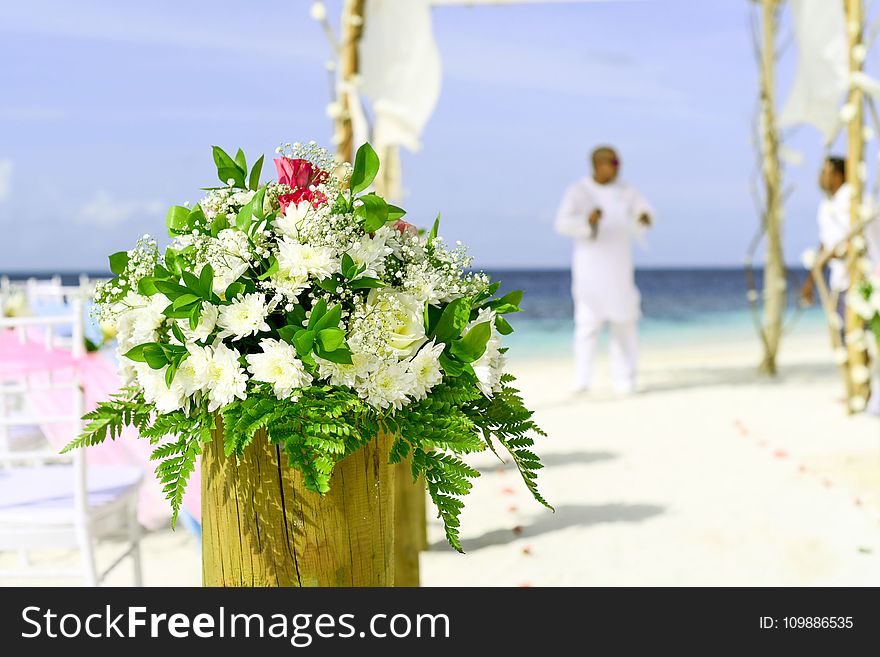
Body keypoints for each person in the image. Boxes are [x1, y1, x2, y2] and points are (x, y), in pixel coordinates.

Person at [554, 146, 653, 394]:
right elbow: (562, 223)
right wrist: (587, 221)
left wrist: (644, 218)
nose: (617, 168)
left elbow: (643, 210)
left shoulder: (626, 190)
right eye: (613, 163)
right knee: (587, 323)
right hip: (589, 267)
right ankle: (582, 380)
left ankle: (625, 380)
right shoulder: (579, 191)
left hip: (619, 267)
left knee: (624, 320)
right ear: (598, 165)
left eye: (618, 164)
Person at [799, 156, 850, 319]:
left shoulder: (850, 199)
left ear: (838, 176)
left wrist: (832, 255)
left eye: (824, 172)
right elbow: (825, 242)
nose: (820, 177)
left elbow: (855, 240)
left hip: (856, 279)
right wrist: (810, 281)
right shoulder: (826, 204)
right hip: (838, 281)